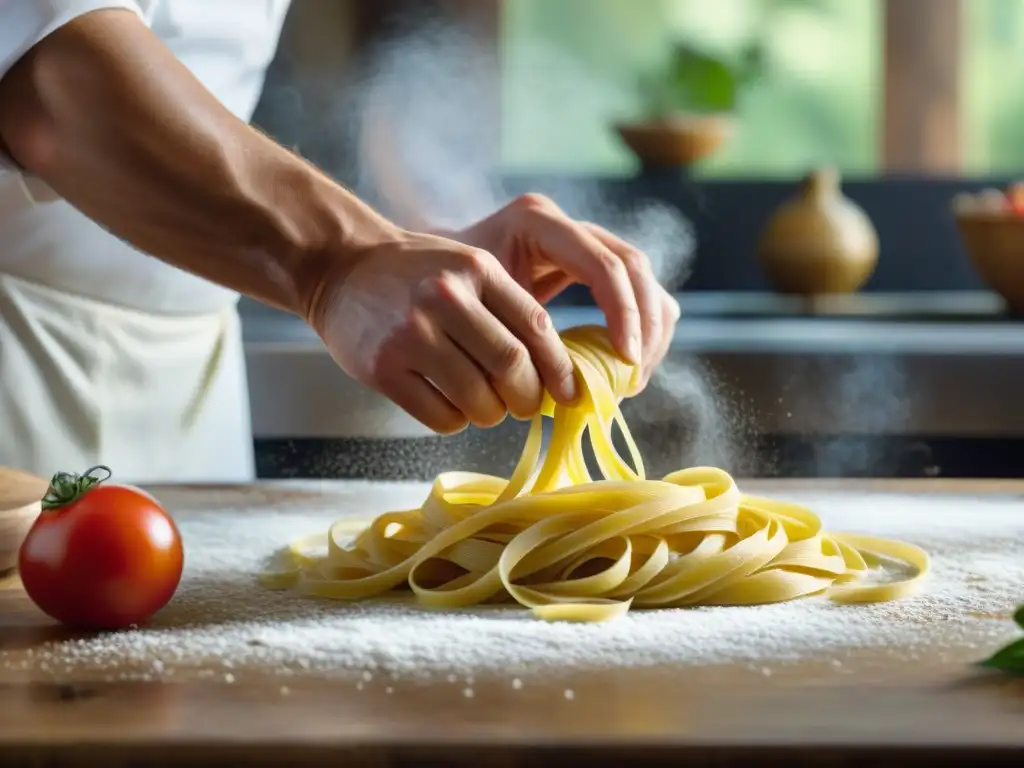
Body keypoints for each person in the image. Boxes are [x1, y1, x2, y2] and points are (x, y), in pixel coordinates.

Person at [0, 2, 679, 484]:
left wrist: (407, 247)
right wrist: (340, 258)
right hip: (18, 362)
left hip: (192, 378)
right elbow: (54, 76)